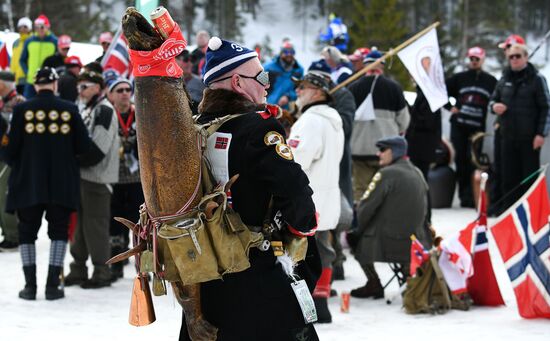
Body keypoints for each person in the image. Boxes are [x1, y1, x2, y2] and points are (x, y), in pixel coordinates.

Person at [179, 36, 319, 341]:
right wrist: (301, 244)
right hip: (257, 270)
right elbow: (297, 196)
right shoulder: (259, 128)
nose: (267, 85)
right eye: (262, 77)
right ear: (238, 82)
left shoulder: (192, 129)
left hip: (204, 274)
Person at [2, 67, 90, 300]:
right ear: (55, 84)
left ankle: (30, 287)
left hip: (28, 183)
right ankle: (52, 286)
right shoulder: (70, 110)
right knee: (59, 233)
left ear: (35, 84)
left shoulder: (21, 110)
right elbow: (84, 147)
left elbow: (8, 151)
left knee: (26, 233)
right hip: (61, 184)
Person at [288, 71, 344, 323]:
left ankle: (311, 303)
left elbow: (295, 161)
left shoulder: (311, 121)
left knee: (304, 254)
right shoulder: (333, 120)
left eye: (304, 87)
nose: (298, 91)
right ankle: (320, 303)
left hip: (309, 198)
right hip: (327, 196)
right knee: (323, 249)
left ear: (319, 92)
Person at [350, 136, 431, 298]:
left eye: (382, 150)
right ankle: (408, 278)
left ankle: (374, 283)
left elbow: (366, 208)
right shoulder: (417, 172)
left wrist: (356, 229)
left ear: (394, 152)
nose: (378, 154)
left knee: (355, 240)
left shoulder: (386, 174)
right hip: (417, 242)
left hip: (389, 241)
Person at [65, 71, 119, 289]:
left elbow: (98, 149)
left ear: (97, 87)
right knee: (81, 226)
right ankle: (78, 268)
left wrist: (72, 160)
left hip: (98, 178)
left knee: (95, 226)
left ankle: (101, 271)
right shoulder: (90, 108)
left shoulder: (104, 110)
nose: (81, 90)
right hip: (84, 176)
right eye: (79, 87)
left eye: (84, 86)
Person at [306, 59, 355, 280]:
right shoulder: (308, 103)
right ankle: (326, 270)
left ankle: (338, 265)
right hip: (316, 164)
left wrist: (325, 108)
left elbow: (346, 125)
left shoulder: (343, 96)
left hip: (337, 162)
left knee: (333, 217)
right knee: (320, 221)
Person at [489, 43, 550, 209]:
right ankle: (508, 215)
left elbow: (546, 107)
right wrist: (494, 107)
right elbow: (492, 101)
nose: (514, 59)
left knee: (529, 180)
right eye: (511, 57)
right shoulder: (504, 78)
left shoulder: (537, 79)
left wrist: (541, 134)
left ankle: (530, 216)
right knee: (508, 179)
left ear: (526, 57)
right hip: (507, 137)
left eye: (518, 56)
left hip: (529, 139)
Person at [348, 50, 410, 202]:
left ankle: (361, 222)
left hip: (359, 150)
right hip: (387, 151)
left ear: (365, 65)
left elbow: (346, 121)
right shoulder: (394, 88)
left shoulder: (353, 87)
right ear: (382, 66)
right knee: (385, 192)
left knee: (361, 192)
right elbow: (404, 121)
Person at [446, 47, 497, 207]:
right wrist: (449, 107)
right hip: (460, 126)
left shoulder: (490, 81)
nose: (474, 62)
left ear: (482, 60)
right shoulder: (459, 78)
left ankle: (475, 197)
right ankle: (464, 197)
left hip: (477, 129)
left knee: (474, 161)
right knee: (461, 160)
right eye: (471, 59)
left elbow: (498, 99)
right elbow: (441, 92)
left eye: (477, 59)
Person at [106, 78, 143, 281]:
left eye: (128, 89)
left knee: (135, 219)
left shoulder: (138, 112)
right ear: (111, 94)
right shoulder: (109, 114)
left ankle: (139, 258)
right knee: (115, 219)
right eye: (119, 90)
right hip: (115, 176)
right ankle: (117, 262)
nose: (124, 93)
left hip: (136, 176)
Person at [0, 71, 25, 251]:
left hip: (12, 158)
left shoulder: (19, 103)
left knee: (4, 195)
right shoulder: (3, 102)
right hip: (3, 154)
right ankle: (7, 232)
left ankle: (12, 235)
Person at [405, 85, 442, 181]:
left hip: (422, 147)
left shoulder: (428, 94)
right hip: (421, 146)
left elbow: (426, 122)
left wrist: (409, 110)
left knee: (420, 178)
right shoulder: (424, 93)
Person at [19, 14, 58, 99]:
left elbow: (58, 59)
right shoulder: (29, 41)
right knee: (28, 105)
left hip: (48, 82)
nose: (39, 29)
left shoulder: (54, 41)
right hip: (31, 81)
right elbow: (22, 60)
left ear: (47, 27)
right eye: (36, 27)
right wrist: (27, 72)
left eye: (42, 27)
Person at [263, 41, 304, 109]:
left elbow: (301, 89)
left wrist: (288, 96)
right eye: (286, 52)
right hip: (268, 107)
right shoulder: (268, 68)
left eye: (292, 52)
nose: (289, 54)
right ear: (281, 53)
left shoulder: (299, 70)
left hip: (288, 110)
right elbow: (259, 86)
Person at [175, 49, 205, 114]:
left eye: (192, 61)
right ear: (174, 60)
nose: (190, 63)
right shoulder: (166, 83)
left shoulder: (201, 83)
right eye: (186, 59)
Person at [10, 17, 33, 95]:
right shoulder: (15, 43)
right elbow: (13, 60)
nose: (22, 29)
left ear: (30, 28)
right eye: (20, 27)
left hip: (27, 78)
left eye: (25, 26)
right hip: (15, 78)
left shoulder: (32, 41)